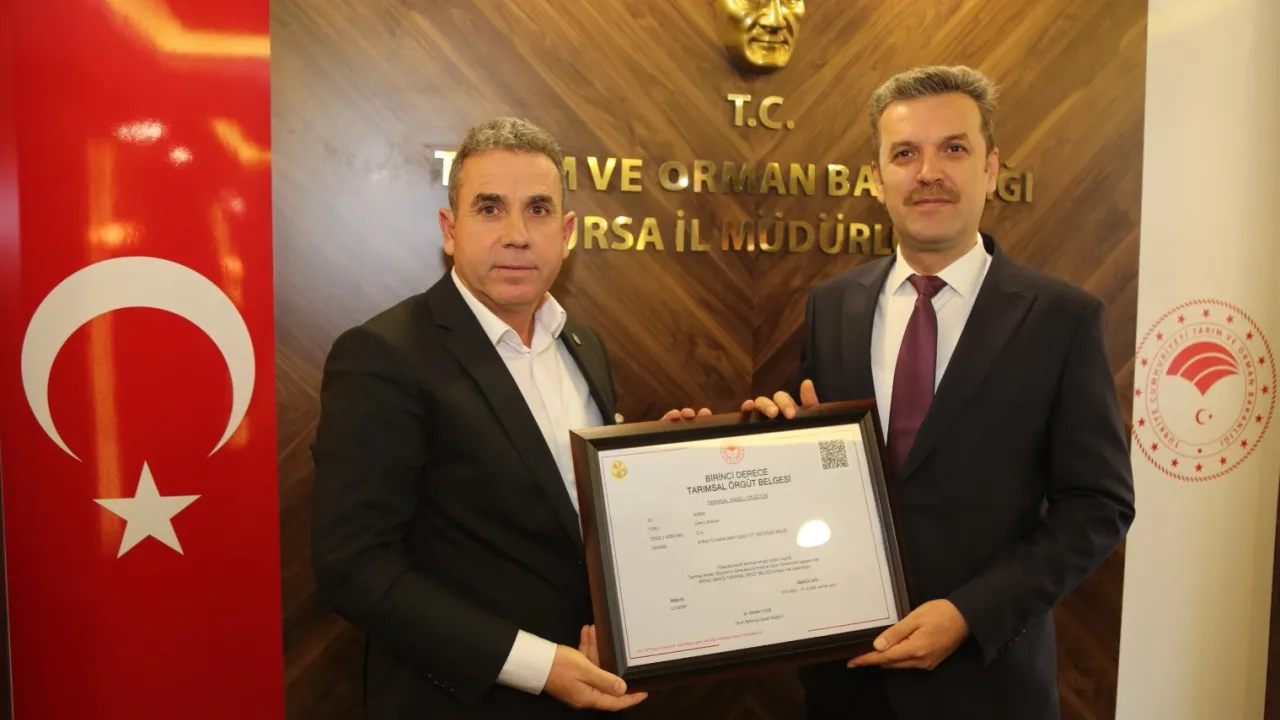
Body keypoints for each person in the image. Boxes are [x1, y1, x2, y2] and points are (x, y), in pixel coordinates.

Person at [744, 65, 1136, 719]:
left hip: (988, 684)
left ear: (991, 167)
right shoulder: (832, 306)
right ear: (877, 179)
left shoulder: (1062, 319)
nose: (928, 172)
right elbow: (823, 465)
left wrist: (968, 614)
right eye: (905, 153)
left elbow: (1098, 505)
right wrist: (771, 445)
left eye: (953, 148)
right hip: (848, 685)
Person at [310, 117, 648, 719]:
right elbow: (355, 568)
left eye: (538, 210)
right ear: (450, 229)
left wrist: (675, 456)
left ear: (567, 232)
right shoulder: (384, 354)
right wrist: (538, 666)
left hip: (593, 689)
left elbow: (574, 520)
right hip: (459, 702)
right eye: (490, 209)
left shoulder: (583, 344)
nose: (517, 235)